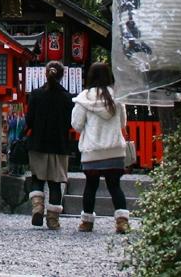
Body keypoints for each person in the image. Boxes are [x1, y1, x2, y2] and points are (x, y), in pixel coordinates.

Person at [71, 61, 132, 234]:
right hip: (114, 150)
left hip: (92, 151)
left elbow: (77, 124)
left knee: (91, 186)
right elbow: (123, 123)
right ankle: (122, 222)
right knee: (115, 186)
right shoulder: (117, 97)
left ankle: (87, 222)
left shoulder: (84, 98)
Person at [25, 60, 74, 229]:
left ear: (46, 74)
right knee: (55, 183)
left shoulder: (36, 94)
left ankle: (38, 207)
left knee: (37, 178)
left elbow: (29, 120)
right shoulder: (67, 97)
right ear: (62, 76)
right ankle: (53, 219)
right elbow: (71, 122)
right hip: (59, 145)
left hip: (38, 143)